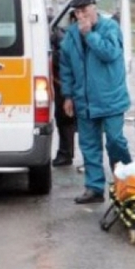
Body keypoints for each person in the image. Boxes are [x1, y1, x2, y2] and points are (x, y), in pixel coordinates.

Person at [59, 0, 132, 204]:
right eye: (78, 12)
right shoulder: (71, 36)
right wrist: (68, 96)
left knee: (115, 141)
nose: (81, 16)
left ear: (94, 8)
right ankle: (94, 189)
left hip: (110, 99)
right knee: (89, 146)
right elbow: (66, 68)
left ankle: (127, 183)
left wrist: (90, 35)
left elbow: (110, 53)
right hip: (84, 101)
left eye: (85, 11)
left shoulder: (110, 28)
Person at [50, 11, 78, 167]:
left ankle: (65, 153)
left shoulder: (64, 37)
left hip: (65, 84)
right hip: (65, 83)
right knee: (66, 119)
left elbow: (62, 60)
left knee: (66, 119)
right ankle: (65, 153)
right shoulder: (68, 36)